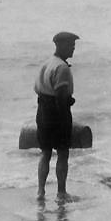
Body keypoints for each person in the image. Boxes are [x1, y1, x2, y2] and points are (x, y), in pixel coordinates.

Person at [34, 31, 79, 200]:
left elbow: (38, 89)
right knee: (62, 153)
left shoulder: (46, 63)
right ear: (60, 46)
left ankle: (40, 191)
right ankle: (61, 192)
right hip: (57, 114)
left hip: (42, 111)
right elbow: (61, 96)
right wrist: (68, 106)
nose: (73, 49)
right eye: (70, 46)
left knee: (45, 153)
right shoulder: (61, 68)